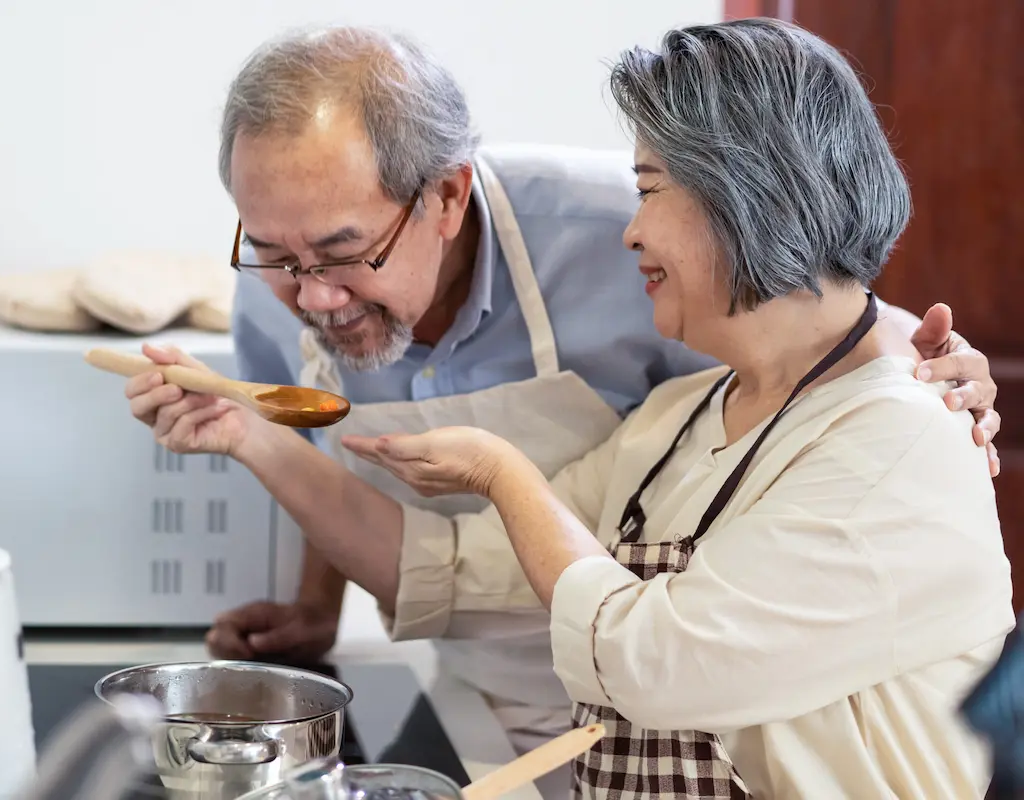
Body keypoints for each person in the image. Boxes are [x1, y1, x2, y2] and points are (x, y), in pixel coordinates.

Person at [126, 22, 1006, 798]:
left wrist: (502, 473)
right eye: (275, 254)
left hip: (608, 687)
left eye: (653, 189)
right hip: (534, 708)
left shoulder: (894, 438)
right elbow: (445, 568)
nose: (308, 294)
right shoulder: (683, 416)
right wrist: (249, 436)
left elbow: (656, 665)